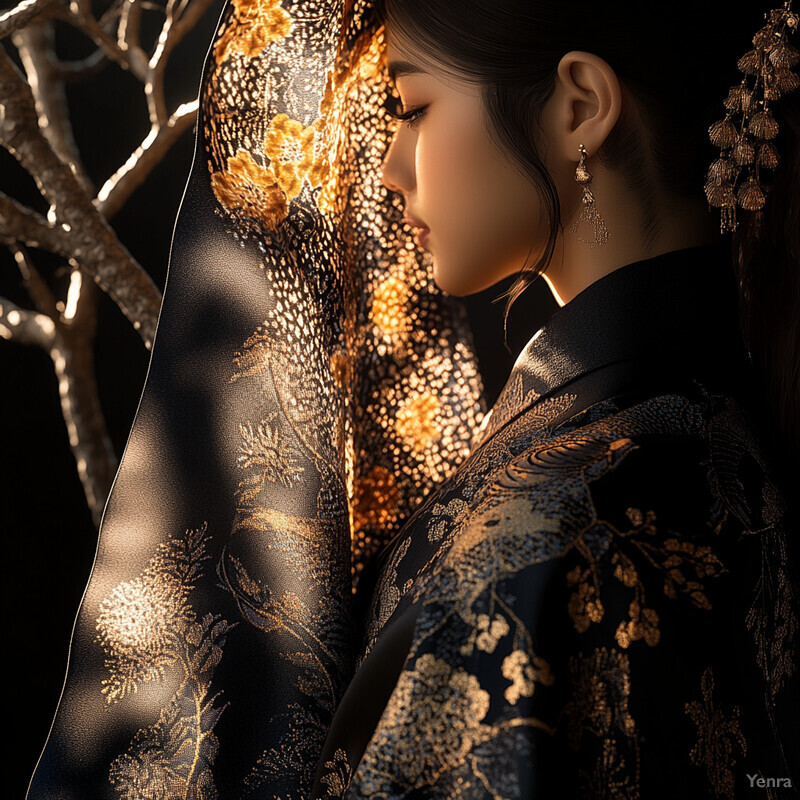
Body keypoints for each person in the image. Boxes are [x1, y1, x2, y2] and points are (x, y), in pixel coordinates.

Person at [27, 0, 799, 799]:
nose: (390, 165)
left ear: (580, 107)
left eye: (413, 107)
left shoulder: (544, 538)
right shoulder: (733, 451)